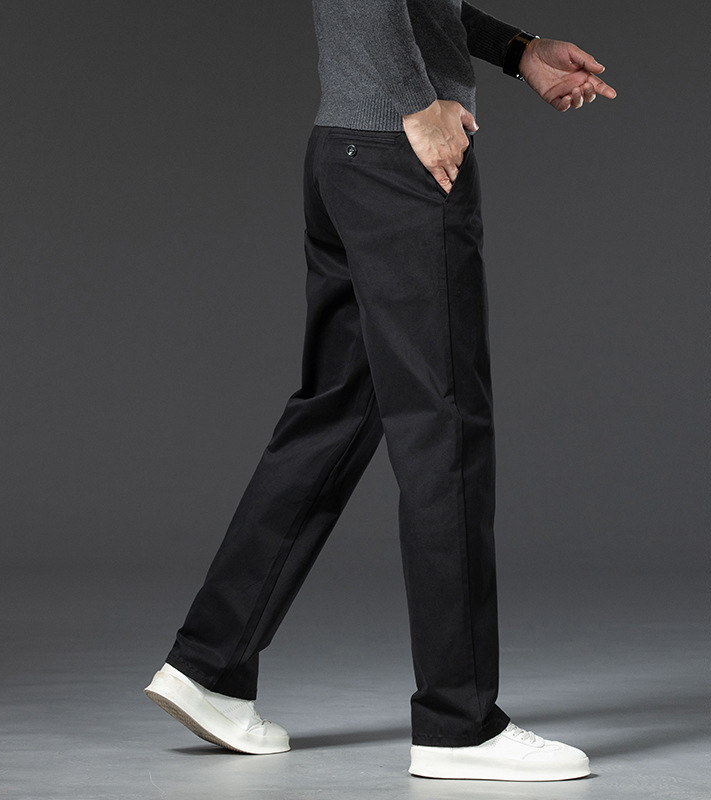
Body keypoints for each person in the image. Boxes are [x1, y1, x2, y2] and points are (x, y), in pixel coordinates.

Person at [145, 0, 616, 782]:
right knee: (444, 425)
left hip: (345, 152)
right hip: (401, 160)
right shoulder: (410, 122)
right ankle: (459, 724)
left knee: (335, 413)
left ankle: (210, 665)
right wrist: (416, 104)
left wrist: (518, 49)